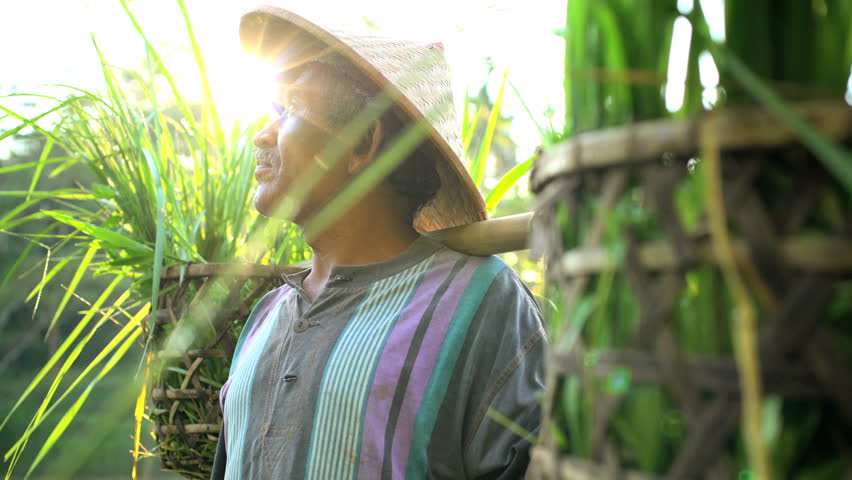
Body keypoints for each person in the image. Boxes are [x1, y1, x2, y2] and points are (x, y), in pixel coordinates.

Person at [211, 6, 546, 479]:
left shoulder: (482, 303)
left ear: (362, 143)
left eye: (288, 109)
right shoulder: (266, 318)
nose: (261, 134)